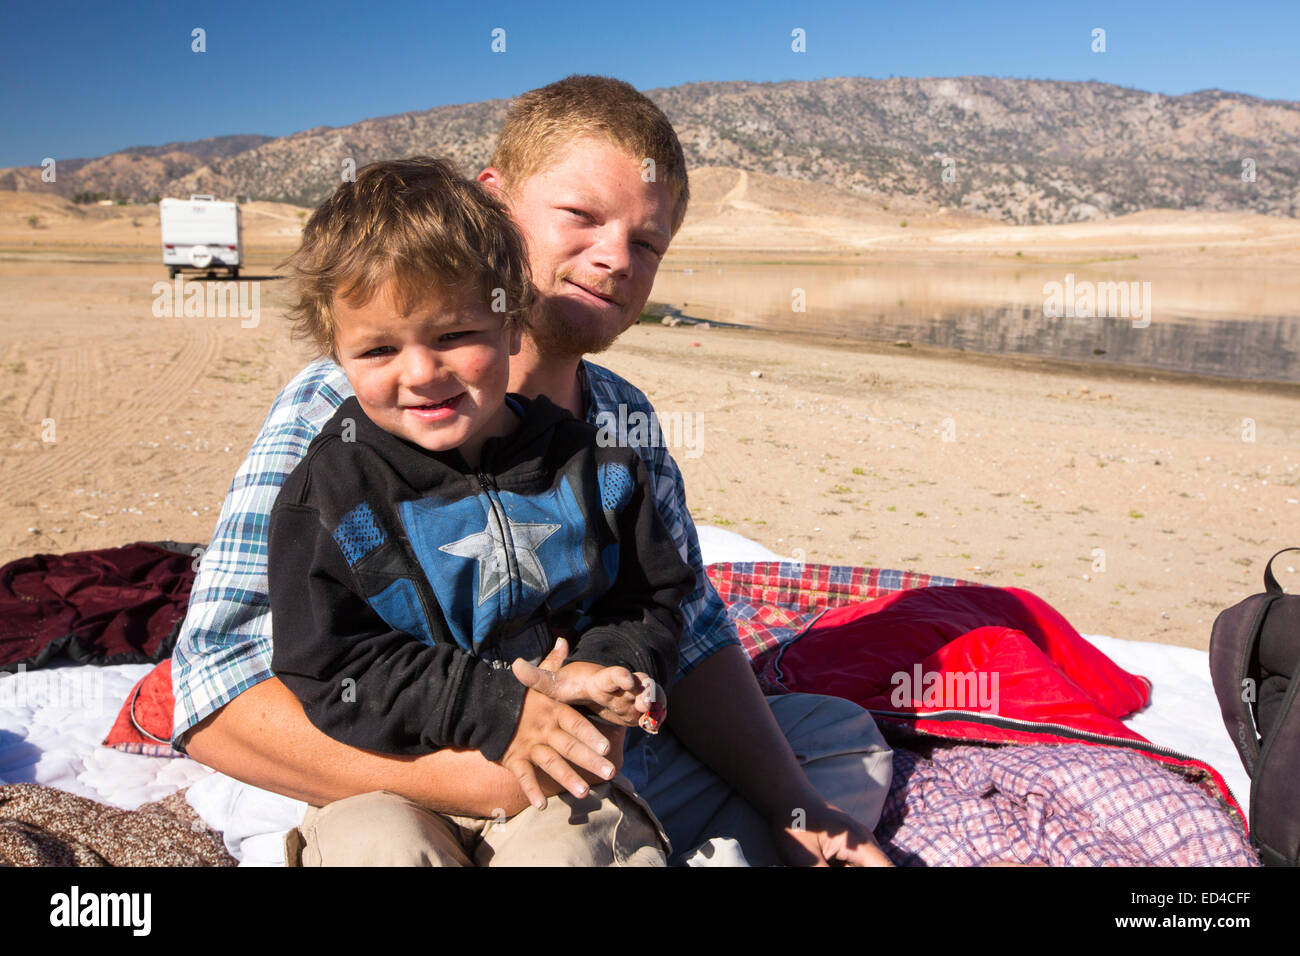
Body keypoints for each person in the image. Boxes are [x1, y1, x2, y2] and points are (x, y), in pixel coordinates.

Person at [172, 74, 895, 867]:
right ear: (496, 206)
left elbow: (683, 626)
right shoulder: (340, 406)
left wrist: (795, 810)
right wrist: (500, 778)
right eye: (581, 216)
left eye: (647, 242)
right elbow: (214, 690)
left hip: (591, 773)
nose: (616, 258)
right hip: (405, 765)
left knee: (837, 745)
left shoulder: (618, 418)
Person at [265, 156, 694, 865]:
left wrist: (606, 668)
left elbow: (650, 595)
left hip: (558, 768)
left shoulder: (596, 466)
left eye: (454, 335)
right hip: (391, 773)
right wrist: (497, 704)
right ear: (335, 354)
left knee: (579, 851)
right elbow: (326, 662)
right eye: (377, 349)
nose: (422, 373)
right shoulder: (333, 491)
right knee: (378, 849)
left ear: (512, 324)